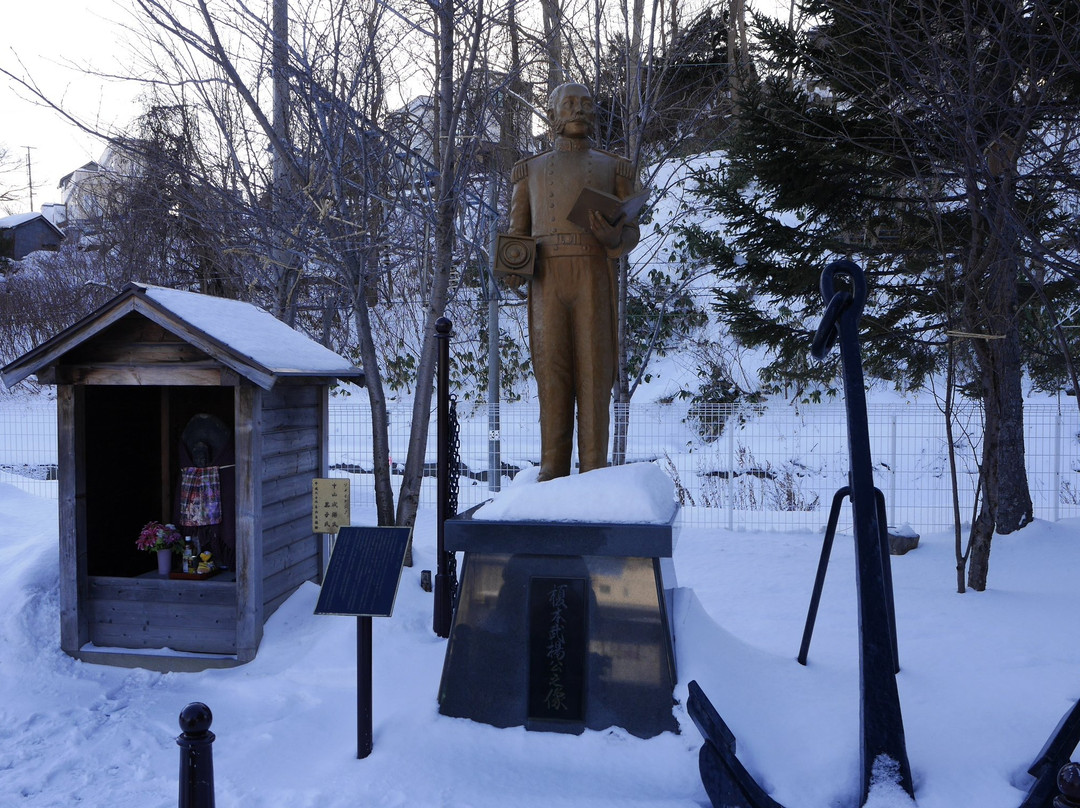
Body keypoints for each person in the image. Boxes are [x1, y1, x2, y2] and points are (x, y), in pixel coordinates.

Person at [505, 82, 641, 481]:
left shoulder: (612, 167)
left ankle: (595, 466)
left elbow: (629, 231)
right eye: (569, 104)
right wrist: (513, 268)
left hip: (593, 276)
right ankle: (553, 466)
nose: (579, 110)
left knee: (596, 372)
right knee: (552, 372)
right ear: (552, 114)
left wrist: (612, 236)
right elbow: (518, 232)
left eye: (586, 104)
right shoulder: (528, 171)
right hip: (547, 279)